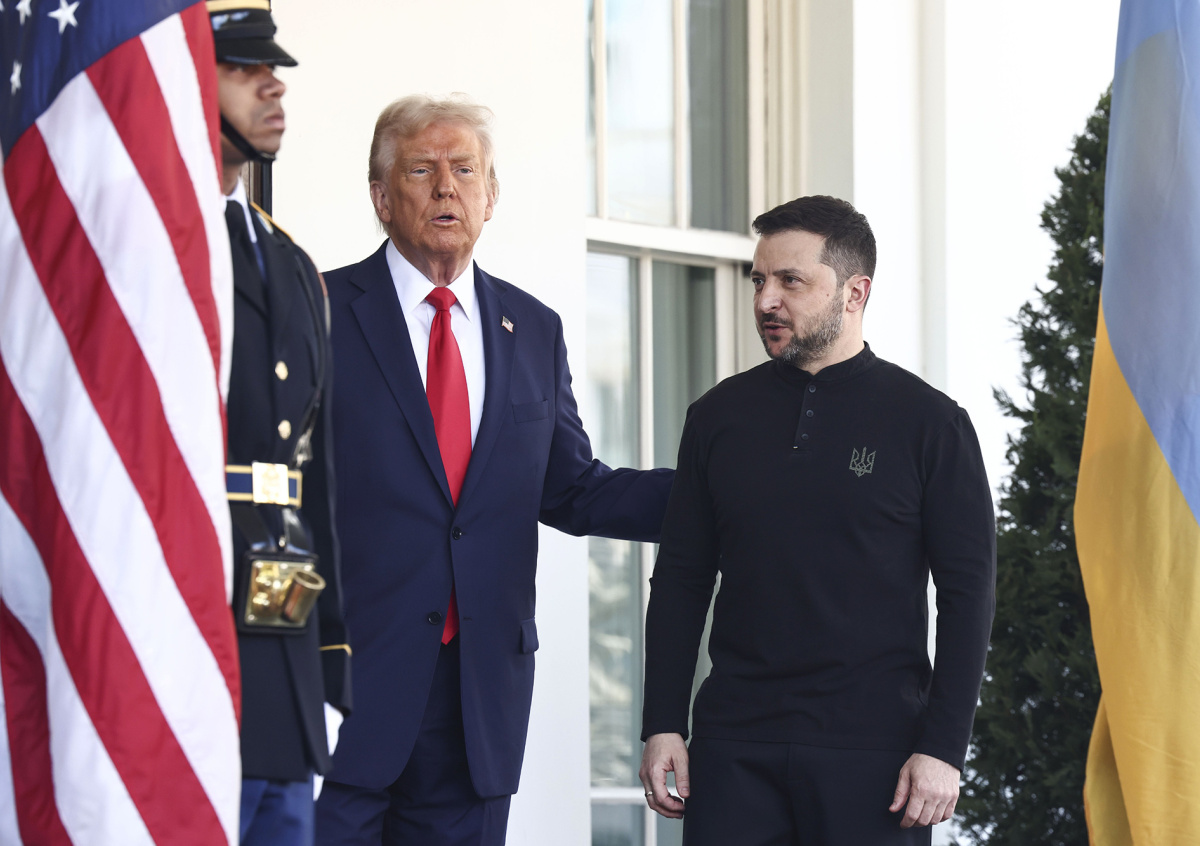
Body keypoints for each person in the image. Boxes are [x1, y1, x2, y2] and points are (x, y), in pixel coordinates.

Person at [313, 94, 673, 845]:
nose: (447, 186)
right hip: (344, 690)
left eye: (466, 170)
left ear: (492, 194)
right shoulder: (317, 309)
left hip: (477, 701)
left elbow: (572, 488)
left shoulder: (532, 327)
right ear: (381, 197)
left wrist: (717, 493)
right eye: (422, 169)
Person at [638, 196, 996, 845]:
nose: (766, 300)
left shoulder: (931, 424)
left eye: (790, 281)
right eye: (758, 280)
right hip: (734, 747)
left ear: (855, 292)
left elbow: (969, 594)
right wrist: (663, 721)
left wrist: (944, 746)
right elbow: (682, 578)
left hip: (877, 757)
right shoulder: (716, 417)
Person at [211, 3, 351, 843]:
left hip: (282, 635)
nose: (273, 87)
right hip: (189, 627)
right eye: (242, 69)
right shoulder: (146, 246)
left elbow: (314, 471)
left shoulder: (288, 260)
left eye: (275, 70)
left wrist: (331, 649)